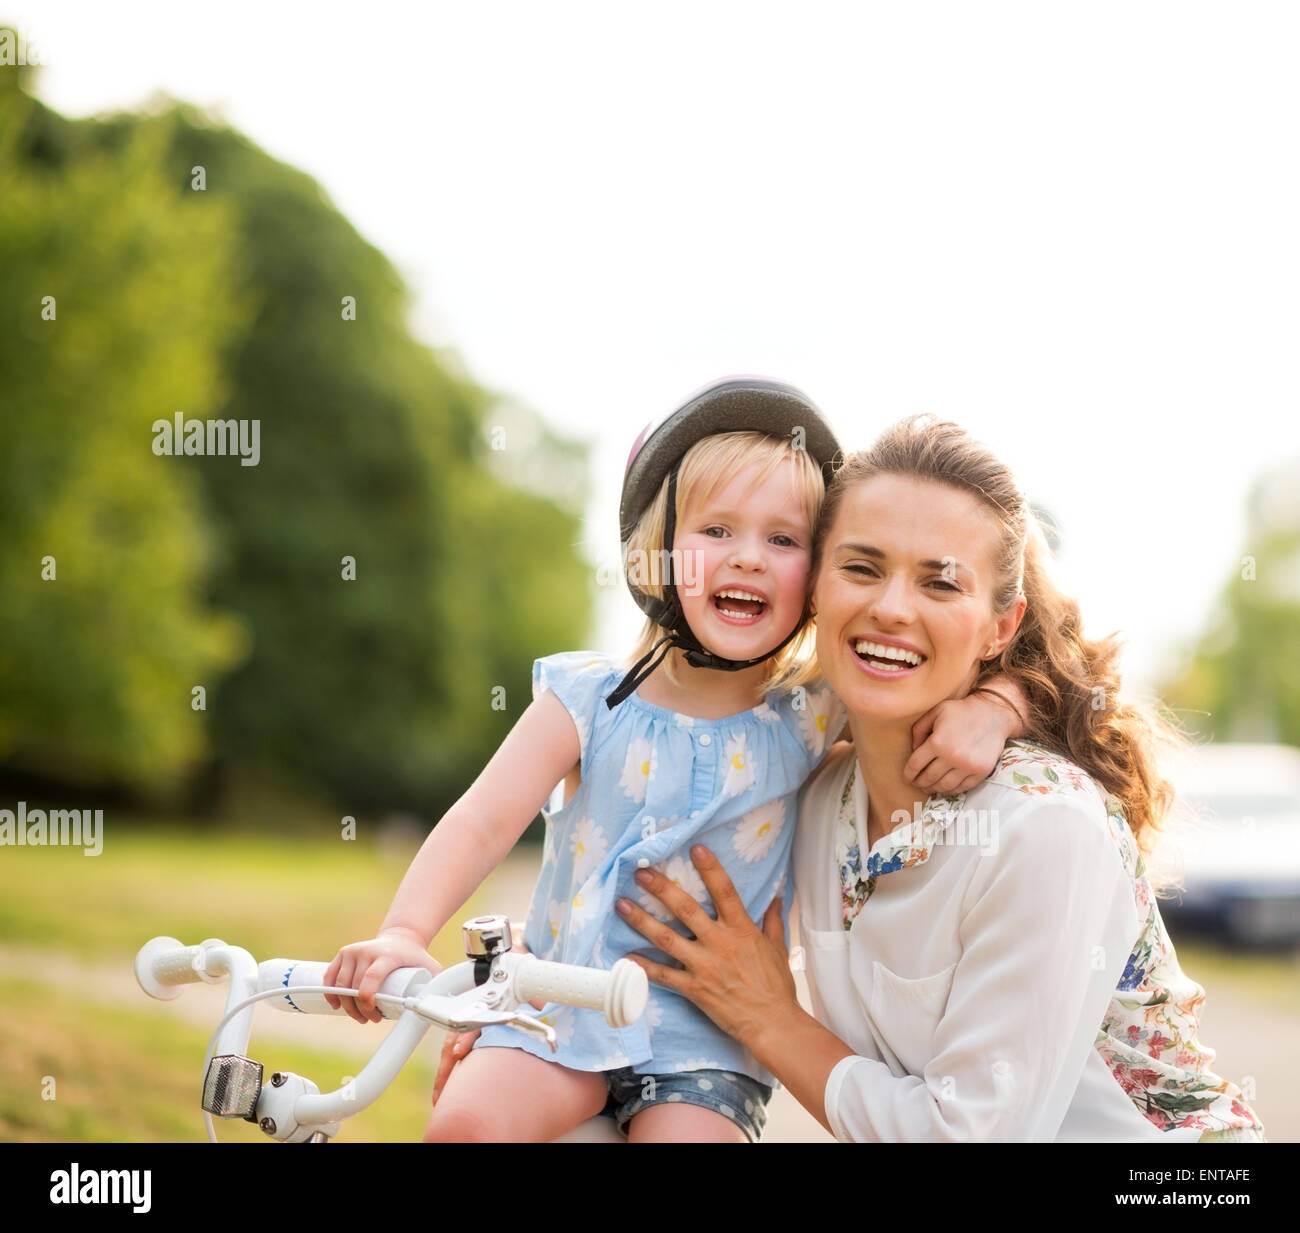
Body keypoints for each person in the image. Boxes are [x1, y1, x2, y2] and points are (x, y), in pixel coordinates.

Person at [325, 381, 1027, 1143]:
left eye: (784, 540)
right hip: (561, 1002)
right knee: (466, 1126)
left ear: (818, 578)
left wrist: (997, 706)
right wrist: (404, 930)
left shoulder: (812, 713)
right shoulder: (588, 700)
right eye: (718, 529)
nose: (749, 558)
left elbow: (979, 668)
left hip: (702, 1041)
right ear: (657, 552)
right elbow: (483, 819)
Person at [617, 413, 1267, 1142]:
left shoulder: (1044, 826)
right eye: (861, 567)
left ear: (1000, 626)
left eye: (941, 582)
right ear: (815, 589)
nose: (891, 608)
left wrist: (770, 1018)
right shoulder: (818, 792)